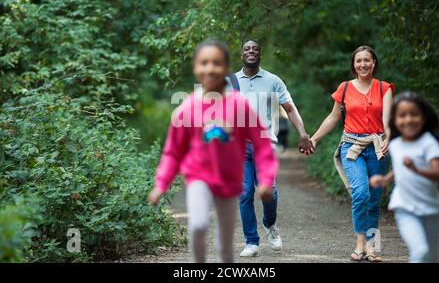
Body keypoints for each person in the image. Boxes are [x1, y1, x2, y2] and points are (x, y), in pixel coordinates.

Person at [148, 40, 278, 263]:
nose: (210, 68)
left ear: (226, 68)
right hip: (199, 176)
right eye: (204, 63)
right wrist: (161, 184)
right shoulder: (188, 107)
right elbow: (173, 152)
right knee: (198, 224)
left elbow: (262, 144)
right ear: (196, 68)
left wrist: (266, 179)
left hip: (228, 180)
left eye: (217, 63)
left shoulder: (239, 105)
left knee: (224, 245)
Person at [230, 39, 314, 258]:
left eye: (255, 49)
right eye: (247, 49)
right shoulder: (230, 81)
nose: (251, 52)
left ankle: (270, 224)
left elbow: (290, 108)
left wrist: (303, 134)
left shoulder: (273, 81)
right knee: (245, 193)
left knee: (270, 192)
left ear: (260, 54)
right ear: (242, 54)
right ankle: (251, 241)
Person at [310, 45, 394, 262]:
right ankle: (360, 243)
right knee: (361, 193)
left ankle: (372, 246)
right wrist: (314, 139)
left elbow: (388, 120)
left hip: (377, 147)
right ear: (354, 64)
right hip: (352, 147)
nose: (363, 64)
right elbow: (332, 118)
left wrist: (388, 136)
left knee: (375, 199)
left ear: (374, 62)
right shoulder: (345, 88)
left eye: (367, 60)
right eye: (359, 61)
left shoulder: (384, 88)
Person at [370, 92, 439, 263]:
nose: (408, 120)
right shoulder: (395, 144)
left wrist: (417, 169)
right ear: (394, 120)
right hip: (404, 207)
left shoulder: (429, 142)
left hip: (430, 208)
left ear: (423, 117)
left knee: (431, 257)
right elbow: (400, 169)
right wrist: (385, 180)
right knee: (420, 252)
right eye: (402, 115)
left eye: (414, 114)